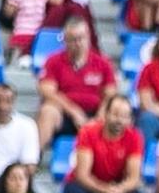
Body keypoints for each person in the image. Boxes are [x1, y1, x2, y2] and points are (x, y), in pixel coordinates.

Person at [36, 17, 120, 153]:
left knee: (117, 114)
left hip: (95, 114)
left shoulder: (103, 63)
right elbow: (47, 90)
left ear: (88, 37)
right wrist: (74, 112)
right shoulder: (53, 61)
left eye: (82, 38)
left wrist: (99, 116)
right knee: (48, 110)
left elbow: (110, 94)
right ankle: (33, 160)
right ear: (65, 41)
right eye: (73, 39)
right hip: (64, 113)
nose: (78, 43)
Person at [3, 0, 55, 65]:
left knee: (10, 48)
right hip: (37, 35)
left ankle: (11, 61)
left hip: (20, 34)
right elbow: (56, 0)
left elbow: (8, 13)